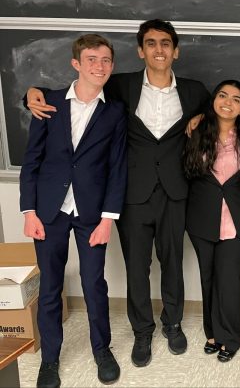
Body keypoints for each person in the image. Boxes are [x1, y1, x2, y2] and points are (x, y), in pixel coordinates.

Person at [25, 19, 211, 367]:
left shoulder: (193, 90)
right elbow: (71, 94)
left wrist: (201, 116)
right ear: (141, 51)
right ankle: (142, 330)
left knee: (172, 262)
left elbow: (221, 108)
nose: (159, 49)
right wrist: (29, 93)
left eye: (166, 43)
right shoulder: (120, 86)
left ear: (176, 51)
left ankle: (172, 323)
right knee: (136, 267)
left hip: (175, 190)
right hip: (131, 192)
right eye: (151, 43)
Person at [19, 34, 127, 388]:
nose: (100, 66)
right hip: (48, 209)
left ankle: (102, 350)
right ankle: (50, 359)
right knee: (50, 287)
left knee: (94, 283)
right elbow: (31, 160)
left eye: (107, 60)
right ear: (76, 63)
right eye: (92, 59)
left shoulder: (114, 111)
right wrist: (29, 211)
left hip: (92, 211)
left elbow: (117, 167)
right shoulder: (47, 103)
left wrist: (108, 218)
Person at [183, 80, 240, 363]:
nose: (228, 101)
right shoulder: (196, 132)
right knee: (208, 278)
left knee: (228, 280)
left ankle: (230, 336)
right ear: (213, 100)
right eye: (222, 95)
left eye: (236, 99)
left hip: (236, 222)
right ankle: (212, 333)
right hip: (202, 219)